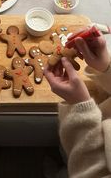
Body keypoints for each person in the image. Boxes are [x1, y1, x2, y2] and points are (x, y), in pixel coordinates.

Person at [44, 32, 111, 177]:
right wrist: (106, 68)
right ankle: (64, 164)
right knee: (68, 155)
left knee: (73, 164)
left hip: (87, 149)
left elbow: (91, 173)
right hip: (88, 132)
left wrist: (80, 105)